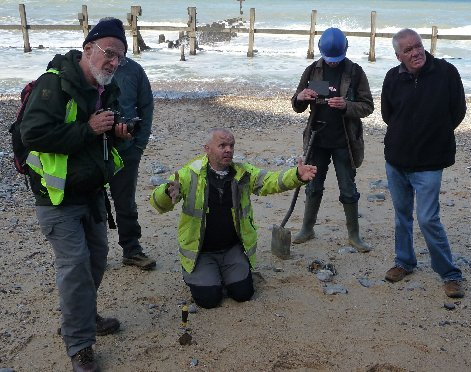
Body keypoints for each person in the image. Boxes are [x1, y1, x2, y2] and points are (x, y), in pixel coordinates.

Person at [21, 18, 131, 371]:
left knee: (97, 261)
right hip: (57, 199)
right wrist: (87, 130)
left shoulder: (104, 89)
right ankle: (79, 345)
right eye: (109, 54)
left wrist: (118, 132)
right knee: (75, 269)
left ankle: (84, 315)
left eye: (121, 58)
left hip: (91, 193)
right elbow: (32, 135)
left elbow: (102, 137)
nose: (114, 62)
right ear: (88, 50)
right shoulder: (54, 85)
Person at [149, 128, 317, 309]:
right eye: (222, 145)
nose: (228, 149)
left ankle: (227, 271)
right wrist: (166, 193)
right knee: (209, 300)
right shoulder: (188, 174)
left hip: (231, 249)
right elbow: (157, 204)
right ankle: (201, 272)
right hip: (200, 252)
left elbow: (270, 181)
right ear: (207, 148)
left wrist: (297, 176)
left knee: (243, 294)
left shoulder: (242, 173)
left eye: (231, 145)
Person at [381, 28, 466, 298]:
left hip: (430, 162)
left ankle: (449, 273)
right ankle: (404, 262)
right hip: (396, 160)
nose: (416, 52)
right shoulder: (392, 78)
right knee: (402, 216)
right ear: (398, 56)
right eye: (408, 50)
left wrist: (435, 135)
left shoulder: (446, 72)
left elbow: (458, 111)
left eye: (418, 46)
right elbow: (387, 114)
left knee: (428, 218)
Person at [291, 27, 374, 252]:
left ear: (345, 51)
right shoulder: (312, 70)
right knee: (313, 187)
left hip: (345, 142)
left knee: (348, 188)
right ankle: (307, 229)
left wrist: (347, 106)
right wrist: (300, 97)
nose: (334, 63)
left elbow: (368, 106)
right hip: (317, 140)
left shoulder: (355, 72)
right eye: (330, 59)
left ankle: (354, 235)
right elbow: (297, 104)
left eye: (337, 59)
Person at [110, 55, 156, 270]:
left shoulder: (134, 70)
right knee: (93, 203)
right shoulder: (89, 68)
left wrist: (139, 145)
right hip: (91, 148)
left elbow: (146, 107)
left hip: (127, 149)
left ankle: (132, 250)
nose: (114, 56)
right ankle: (94, 253)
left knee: (126, 202)